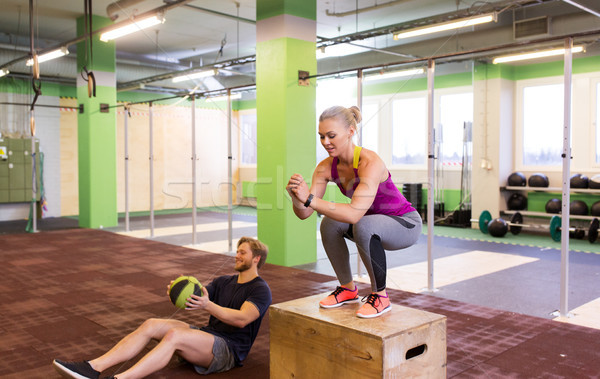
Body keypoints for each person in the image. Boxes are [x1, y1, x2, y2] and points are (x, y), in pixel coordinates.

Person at [53, 237, 272, 379]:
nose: (237, 255)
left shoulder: (260, 290)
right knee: (152, 324)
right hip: (208, 336)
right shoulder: (225, 281)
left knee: (175, 335)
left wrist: (208, 305)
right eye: (237, 251)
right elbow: (198, 297)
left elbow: (242, 319)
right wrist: (179, 293)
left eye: (243, 252)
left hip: (229, 350)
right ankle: (93, 368)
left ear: (256, 259)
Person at [286, 105, 422, 319]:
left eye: (331, 136)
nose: (325, 142)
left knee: (363, 223)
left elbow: (353, 214)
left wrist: (310, 198)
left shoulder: (370, 162)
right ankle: (348, 289)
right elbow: (305, 213)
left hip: (404, 224)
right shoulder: (324, 168)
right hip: (369, 224)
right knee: (330, 224)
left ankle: (380, 296)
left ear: (350, 131)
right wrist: (297, 198)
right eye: (321, 136)